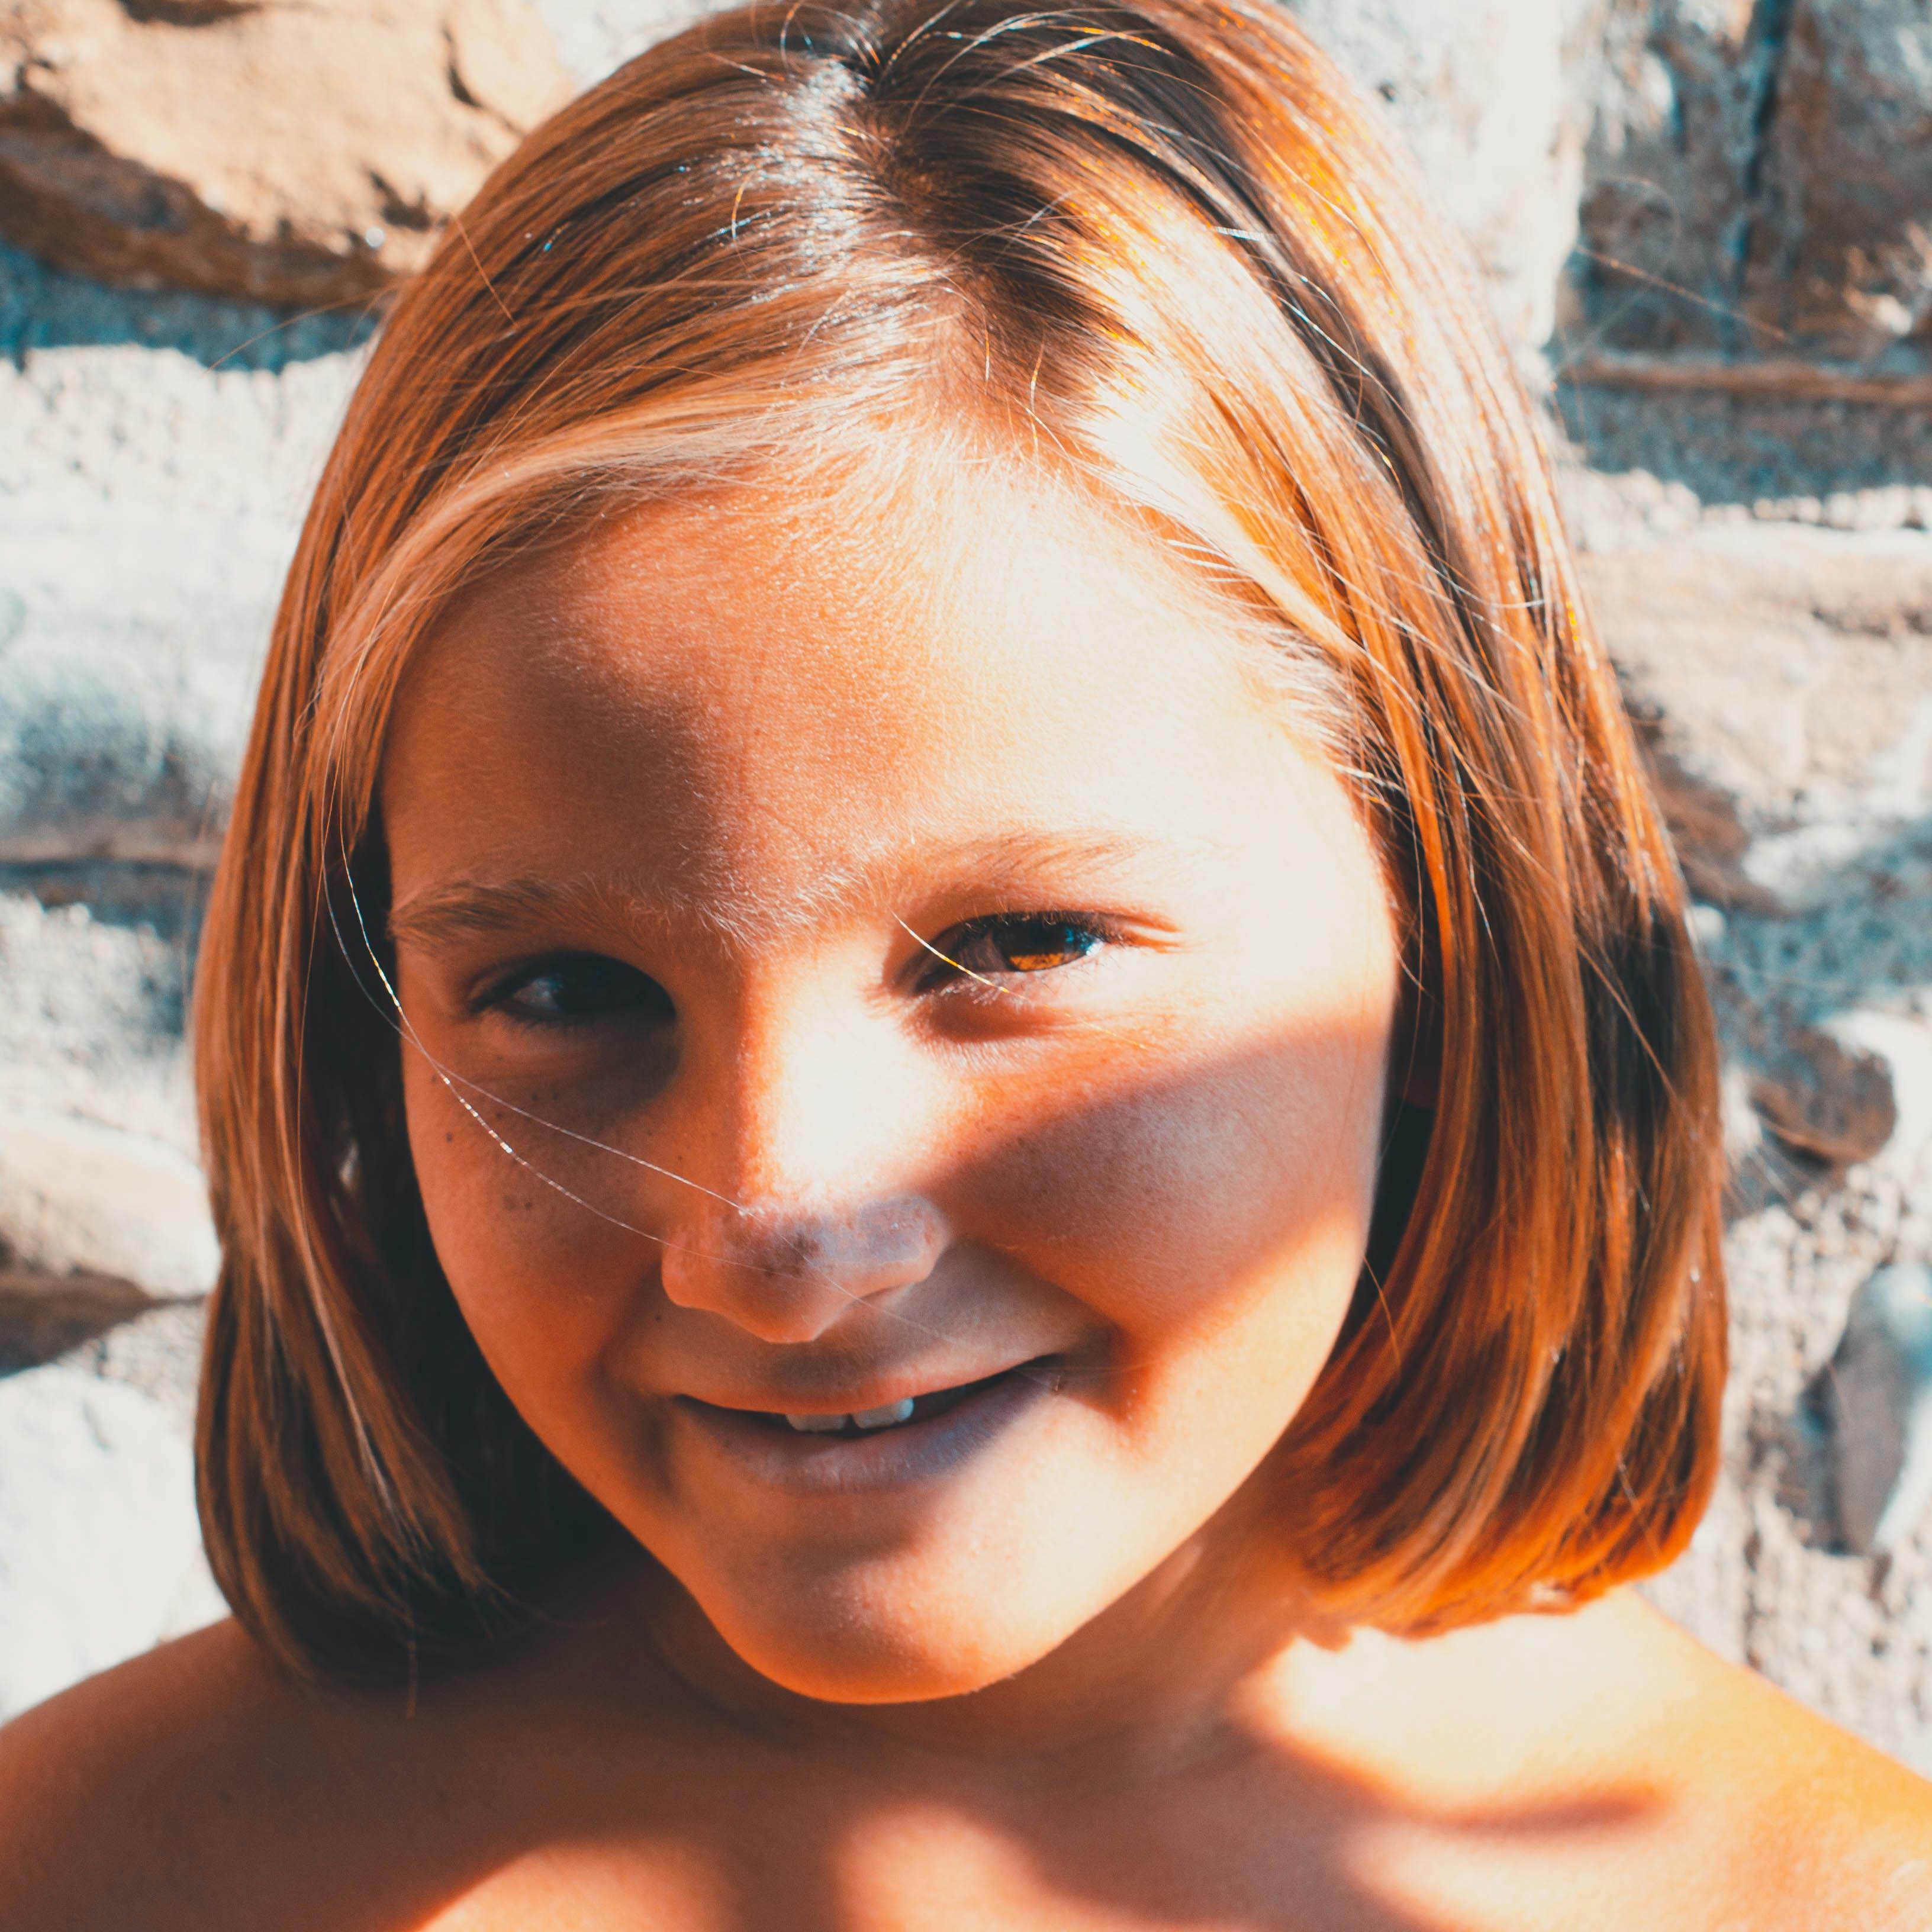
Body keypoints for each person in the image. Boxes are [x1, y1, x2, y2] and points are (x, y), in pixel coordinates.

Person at [4, 2, 1928, 1923]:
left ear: (1444, 917)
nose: (773, 1225)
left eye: (1019, 945)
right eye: (569, 994)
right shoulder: (96, 1870)